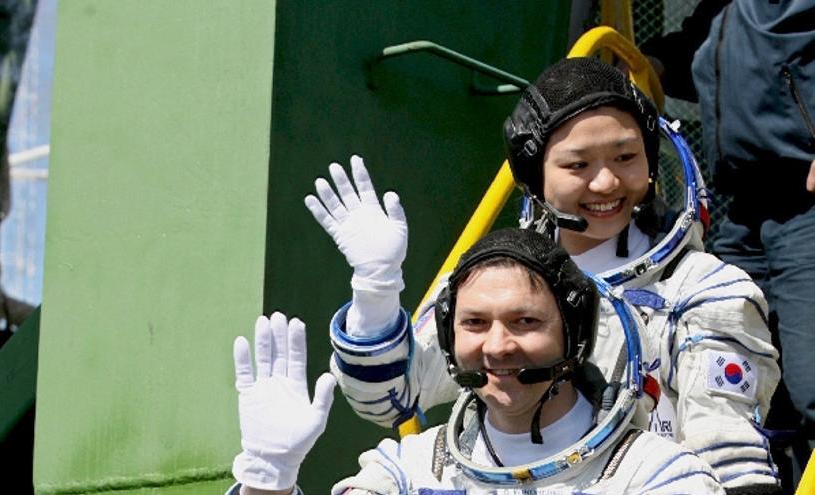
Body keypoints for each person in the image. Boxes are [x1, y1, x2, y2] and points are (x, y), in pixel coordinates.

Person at [305, 57, 781, 493]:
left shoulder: (701, 292)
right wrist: (376, 291)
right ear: (535, 176)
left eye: (625, 157)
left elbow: (727, 462)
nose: (606, 183)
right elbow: (388, 399)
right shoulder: (494, 281)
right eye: (577, 165)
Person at [227, 229, 725, 494]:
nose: (498, 346)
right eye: (474, 324)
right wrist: (268, 482)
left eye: (526, 322)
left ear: (573, 335)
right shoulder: (410, 470)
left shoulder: (655, 475)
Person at [641, 0, 815, 486]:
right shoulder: (725, 7)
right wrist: (651, 64)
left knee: (813, 382)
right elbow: (706, 54)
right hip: (742, 210)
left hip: (805, 197)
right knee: (734, 370)